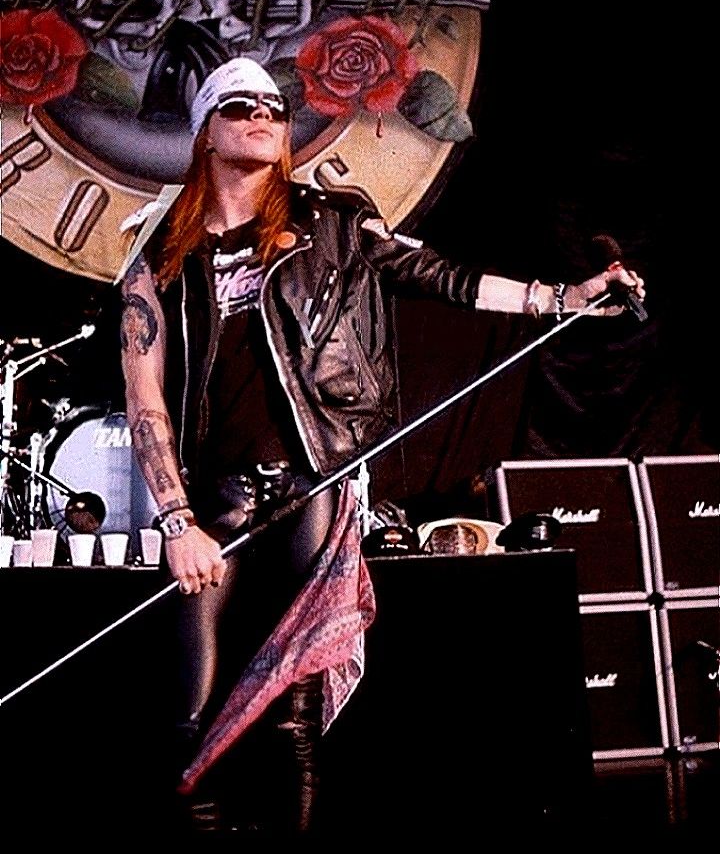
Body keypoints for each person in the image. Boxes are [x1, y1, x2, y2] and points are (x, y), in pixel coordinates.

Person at [119, 55, 644, 839]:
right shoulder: (159, 255)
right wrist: (175, 520)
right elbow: (145, 400)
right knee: (192, 715)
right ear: (203, 132)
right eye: (239, 106)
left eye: (273, 105)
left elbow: (442, 276)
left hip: (314, 489)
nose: (263, 115)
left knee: (293, 717)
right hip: (214, 495)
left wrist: (559, 299)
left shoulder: (335, 221)